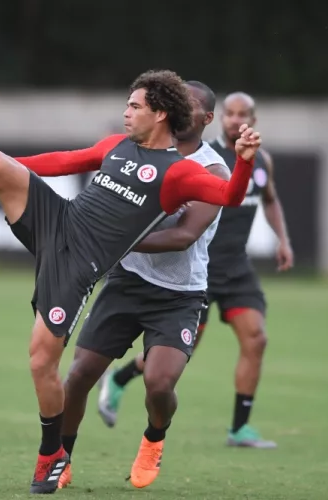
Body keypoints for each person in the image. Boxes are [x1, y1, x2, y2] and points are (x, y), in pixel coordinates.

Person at [0, 70, 260, 494]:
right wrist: (2, 171)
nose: (125, 113)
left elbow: (230, 196)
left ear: (159, 114)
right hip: (58, 221)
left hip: (81, 265)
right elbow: (64, 161)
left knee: (41, 362)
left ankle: (52, 455)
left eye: (134, 106)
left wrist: (244, 160)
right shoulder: (117, 146)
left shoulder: (179, 173)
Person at [57, 81, 230, 490]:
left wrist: (110, 239)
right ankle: (59, 457)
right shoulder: (137, 152)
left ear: (206, 119)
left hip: (179, 294)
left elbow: (183, 236)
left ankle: (154, 438)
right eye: (174, 102)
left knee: (158, 384)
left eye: (191, 106)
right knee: (79, 374)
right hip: (127, 280)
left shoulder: (212, 170)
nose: (178, 109)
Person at [98, 91, 293, 450]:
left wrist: (283, 239)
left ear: (254, 117)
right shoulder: (205, 158)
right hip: (198, 271)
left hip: (237, 267)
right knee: (175, 355)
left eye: (243, 113)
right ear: (219, 118)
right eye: (230, 113)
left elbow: (270, 198)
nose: (236, 119)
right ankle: (121, 377)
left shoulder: (260, 160)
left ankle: (239, 429)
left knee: (257, 338)